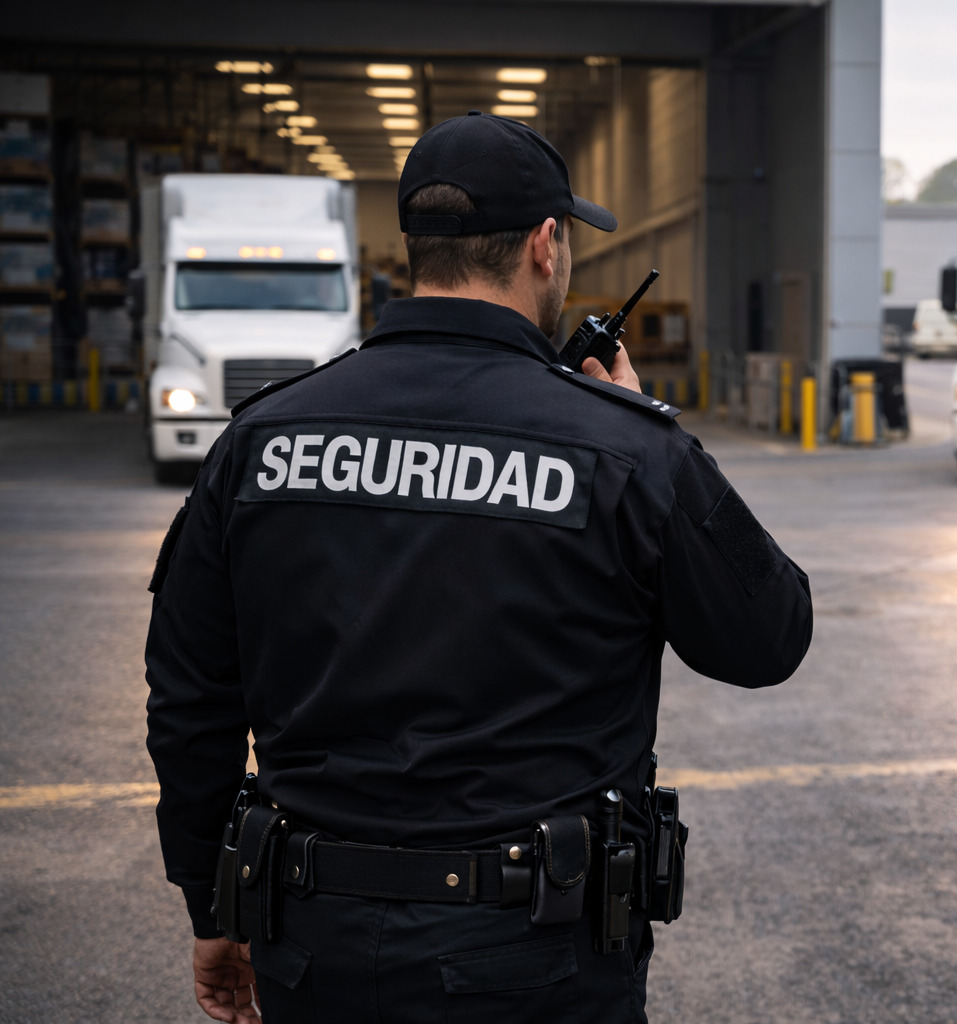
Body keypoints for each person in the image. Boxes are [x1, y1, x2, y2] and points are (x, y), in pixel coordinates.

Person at [145, 111, 814, 1024]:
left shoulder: (261, 439)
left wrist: (212, 903)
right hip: (538, 958)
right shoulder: (621, 451)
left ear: (418, 248)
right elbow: (768, 635)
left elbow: (190, 696)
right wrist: (653, 438)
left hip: (313, 950)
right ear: (545, 246)